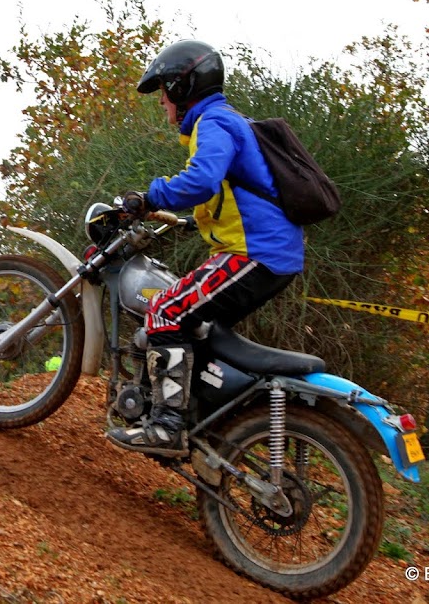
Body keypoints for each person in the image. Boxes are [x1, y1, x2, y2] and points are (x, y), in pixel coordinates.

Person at [106, 39, 305, 456]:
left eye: (163, 91)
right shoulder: (228, 122)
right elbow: (229, 196)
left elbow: (201, 181)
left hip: (256, 256)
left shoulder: (212, 123)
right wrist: (182, 219)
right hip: (265, 254)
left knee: (164, 309)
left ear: (182, 86)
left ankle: (167, 427)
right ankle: (203, 417)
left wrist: (149, 197)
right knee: (192, 325)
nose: (161, 102)